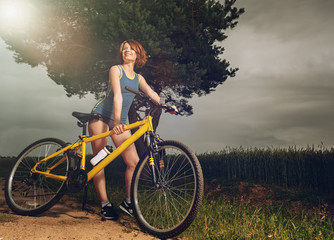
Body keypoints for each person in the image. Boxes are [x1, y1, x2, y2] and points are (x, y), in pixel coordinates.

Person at [88, 39, 173, 220]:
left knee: (133, 162)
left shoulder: (138, 78)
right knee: (100, 161)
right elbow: (118, 96)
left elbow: (151, 93)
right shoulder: (115, 70)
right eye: (124, 49)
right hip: (102, 117)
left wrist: (165, 105)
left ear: (137, 54)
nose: (127, 51)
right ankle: (105, 204)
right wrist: (118, 121)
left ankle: (128, 202)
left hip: (120, 121)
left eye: (131, 49)